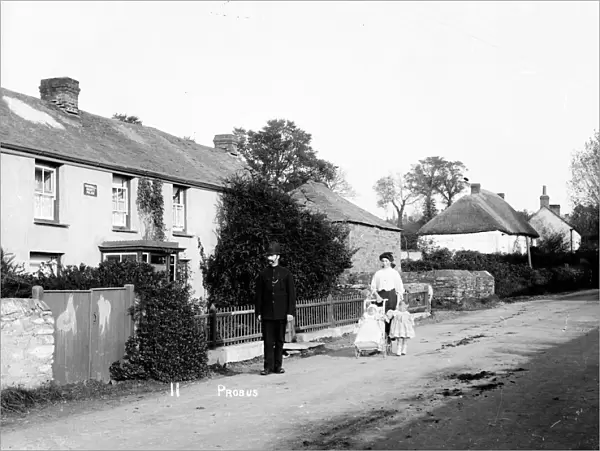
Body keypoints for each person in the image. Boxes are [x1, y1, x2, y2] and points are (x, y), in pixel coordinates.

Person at [254, 242, 296, 376]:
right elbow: (258, 295)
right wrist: (258, 312)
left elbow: (291, 295)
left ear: (278, 256)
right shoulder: (263, 274)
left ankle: (278, 366)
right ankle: (267, 367)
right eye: (268, 255)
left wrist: (290, 312)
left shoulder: (286, 274)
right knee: (267, 341)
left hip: (281, 313)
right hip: (267, 314)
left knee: (279, 341)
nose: (269, 258)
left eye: (272, 255)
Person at [370, 252, 405, 341]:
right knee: (380, 316)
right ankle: (380, 338)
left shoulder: (394, 273)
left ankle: (390, 337)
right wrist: (377, 296)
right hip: (381, 296)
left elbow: (399, 288)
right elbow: (373, 287)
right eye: (383, 261)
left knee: (390, 316)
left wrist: (398, 301)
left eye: (386, 261)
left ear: (390, 262)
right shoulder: (378, 273)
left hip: (392, 296)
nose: (384, 263)